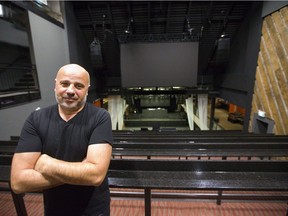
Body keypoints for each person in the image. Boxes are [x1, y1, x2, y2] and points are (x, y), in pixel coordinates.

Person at [10, 64, 113, 216]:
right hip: (54, 209)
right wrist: (82, 171)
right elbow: (18, 182)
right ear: (55, 85)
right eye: (65, 84)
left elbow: (95, 176)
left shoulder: (100, 117)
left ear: (87, 90)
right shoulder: (36, 119)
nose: (70, 91)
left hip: (93, 209)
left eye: (79, 86)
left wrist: (46, 163)